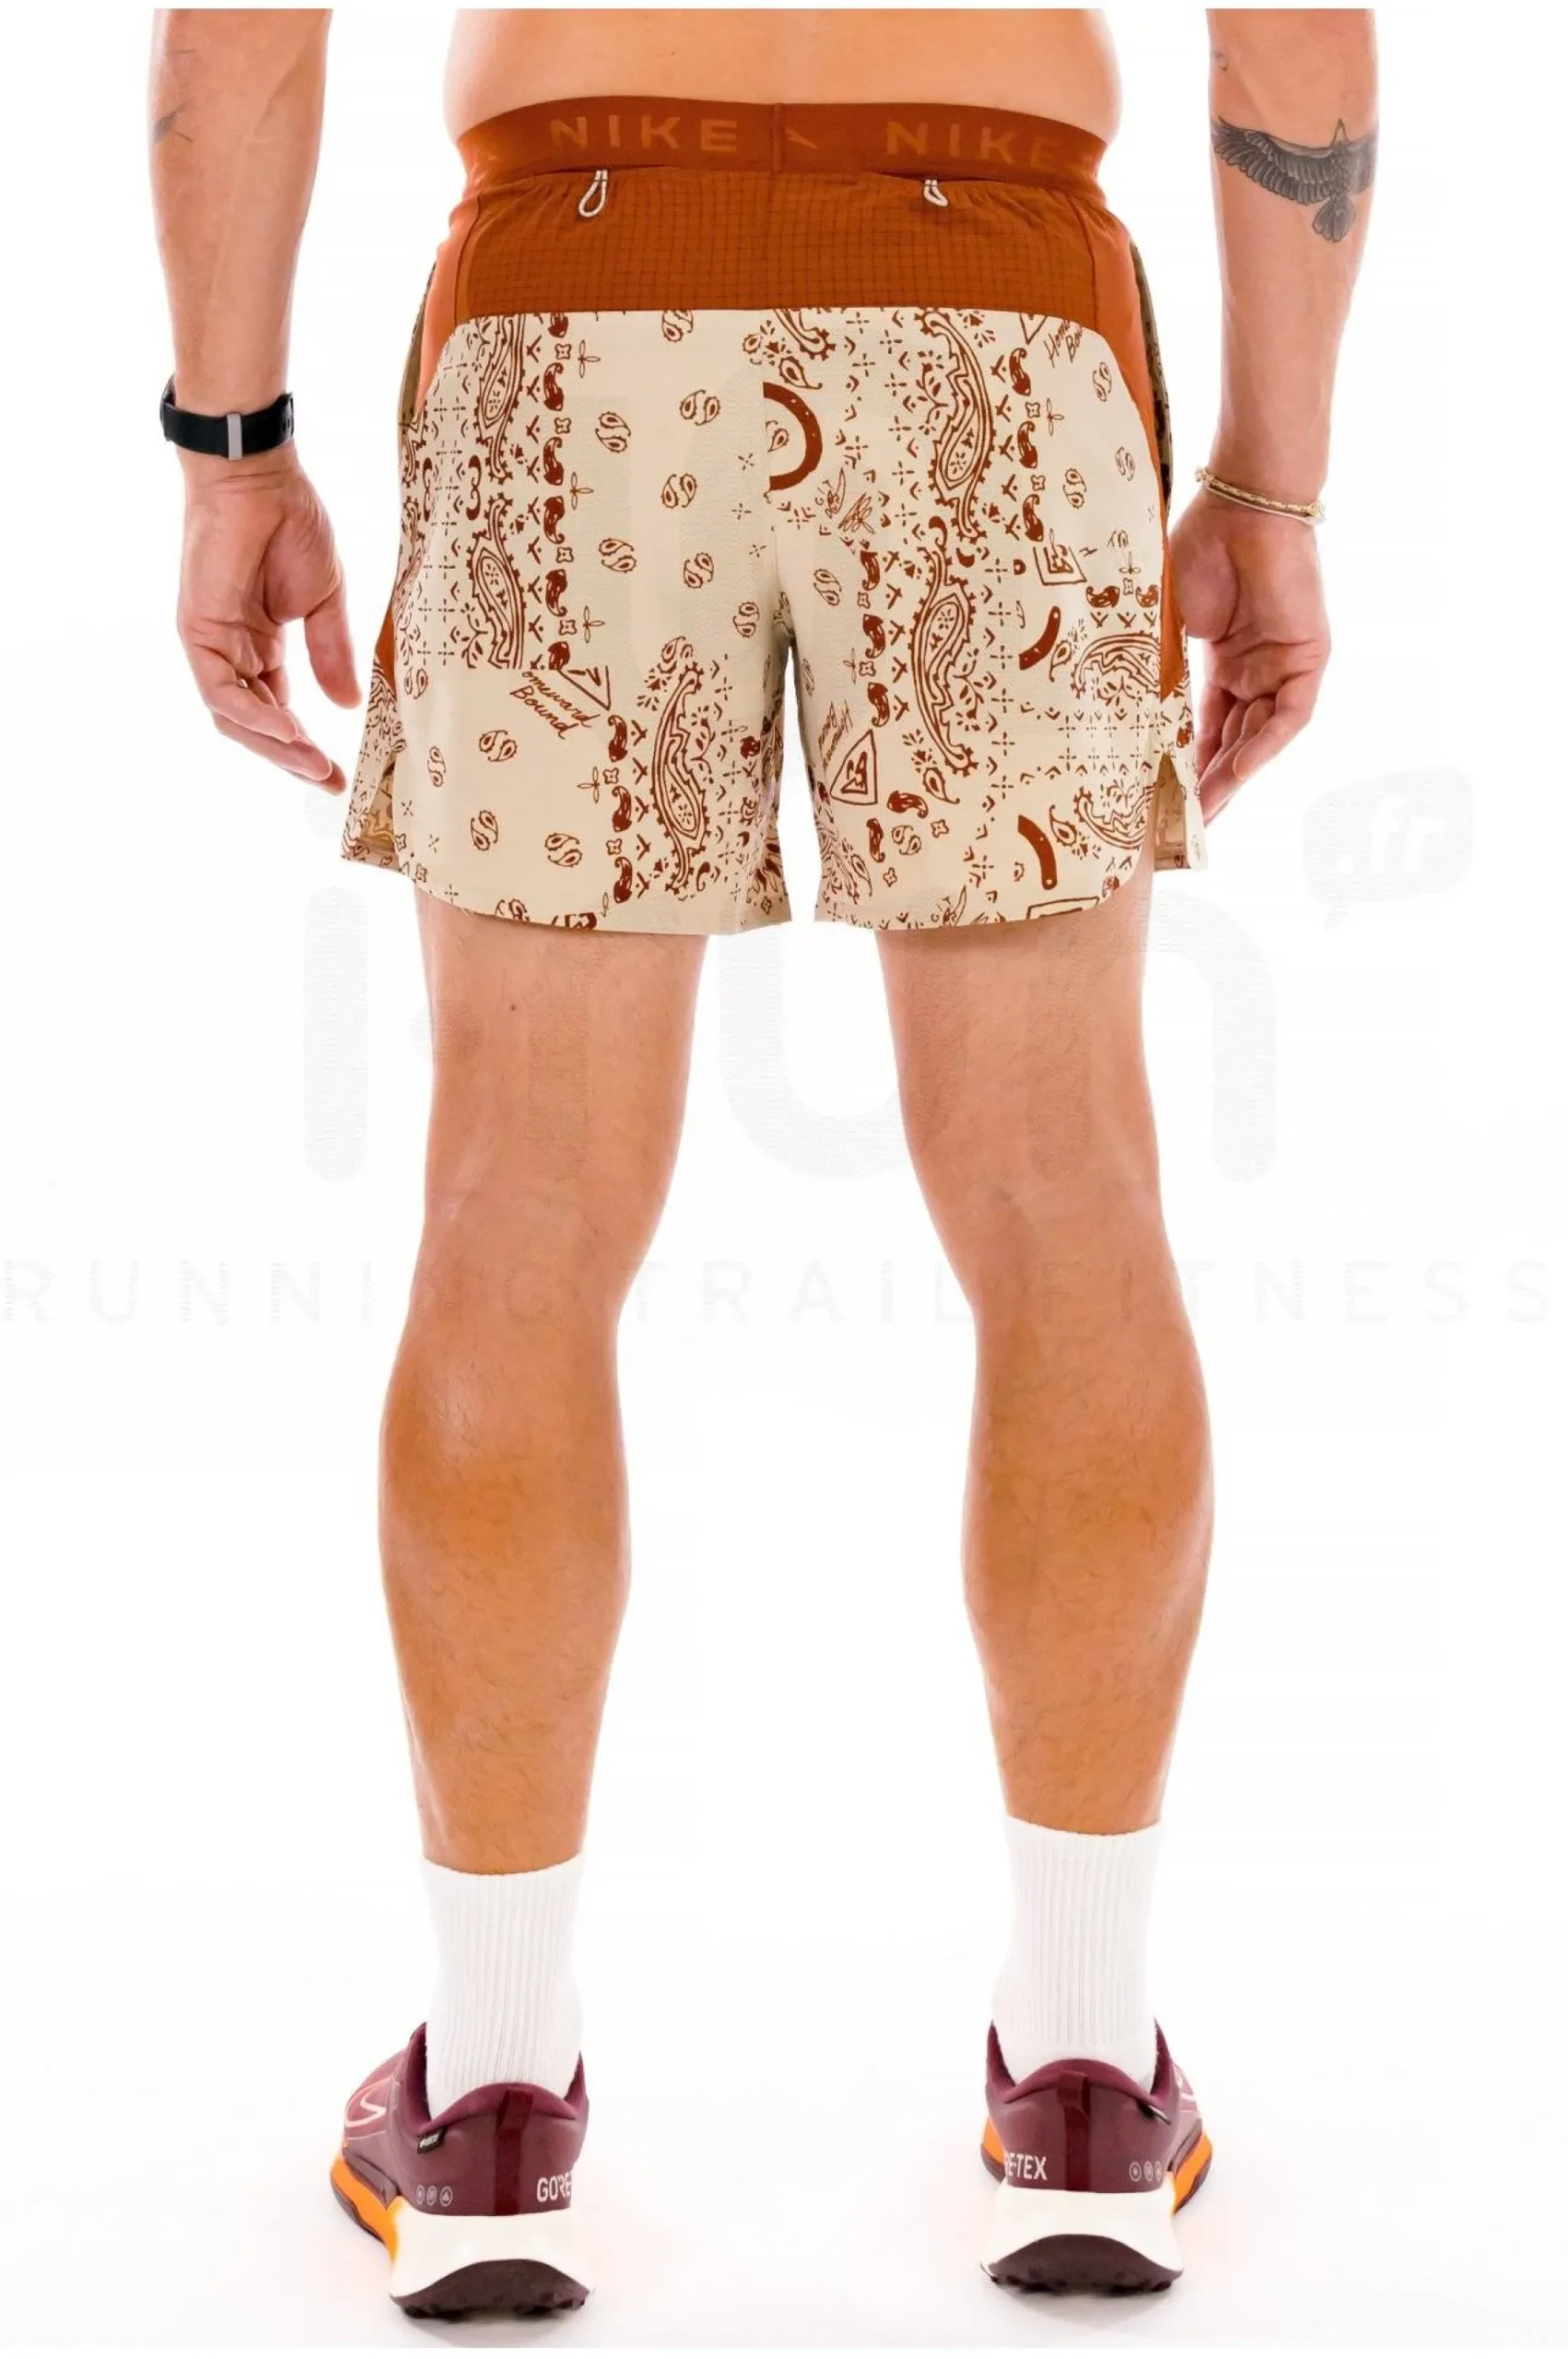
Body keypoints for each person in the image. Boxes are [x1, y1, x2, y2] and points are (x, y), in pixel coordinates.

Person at [150, 5, 1375, 2318]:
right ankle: (1085, 2070)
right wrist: (1270, 490)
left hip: (570, 306)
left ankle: (489, 2092)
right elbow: (1294, 28)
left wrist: (232, 443)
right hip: (997, 314)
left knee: (514, 1213)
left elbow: (240, 29)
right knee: (1066, 1204)